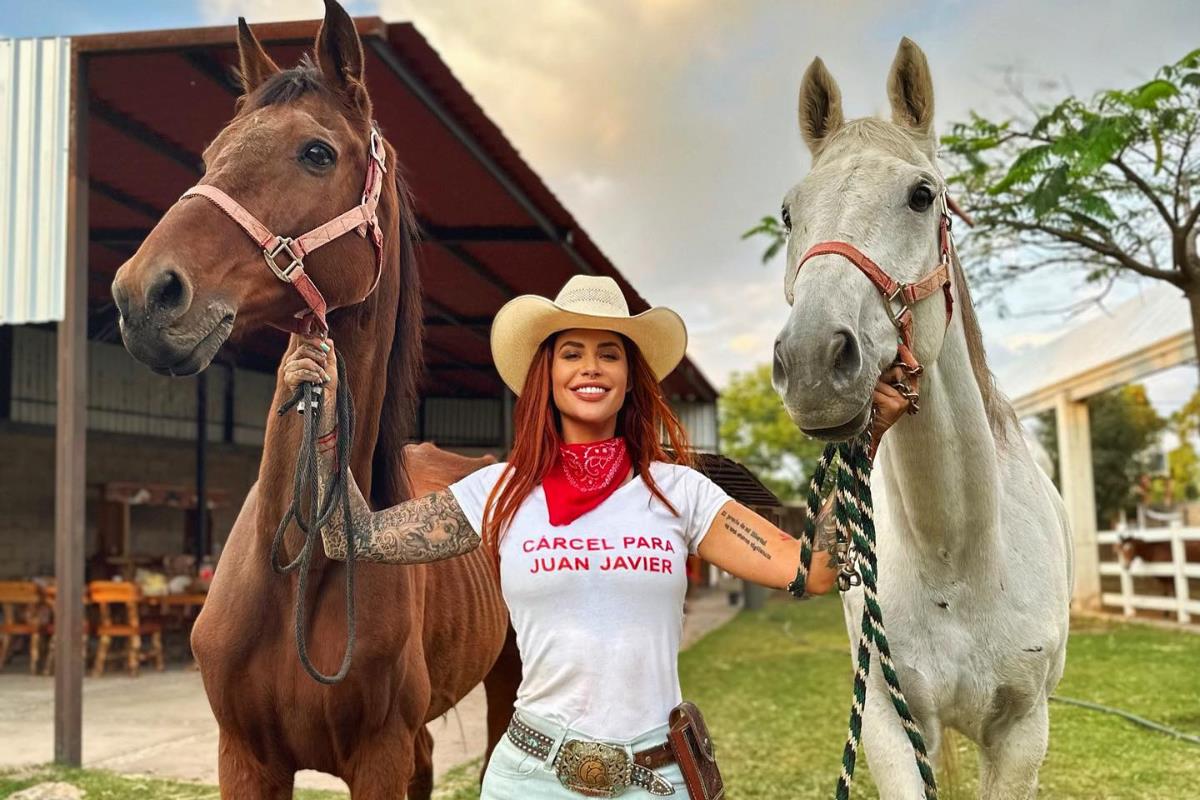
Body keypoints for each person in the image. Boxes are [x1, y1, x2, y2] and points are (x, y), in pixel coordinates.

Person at [283, 275, 915, 798]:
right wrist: (322, 417)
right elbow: (349, 536)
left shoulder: (679, 491)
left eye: (609, 353)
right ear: (547, 374)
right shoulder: (498, 491)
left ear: (630, 376)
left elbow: (812, 568)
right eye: (572, 352)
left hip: (655, 777)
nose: (591, 367)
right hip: (530, 776)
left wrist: (865, 442)